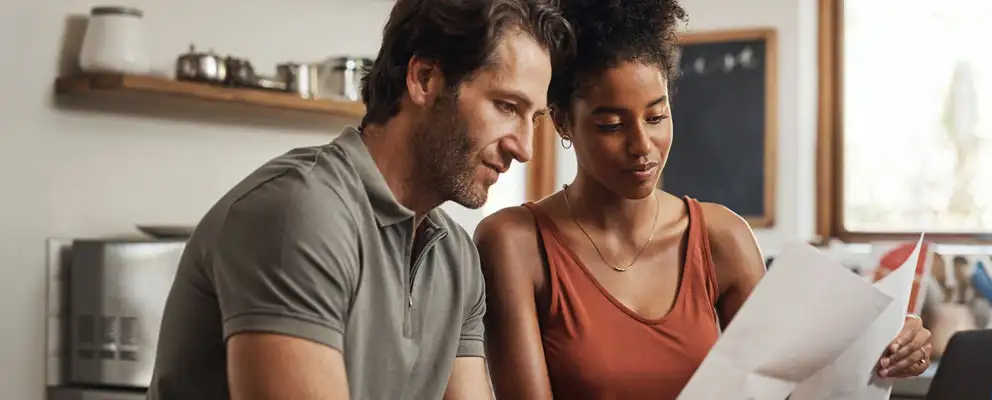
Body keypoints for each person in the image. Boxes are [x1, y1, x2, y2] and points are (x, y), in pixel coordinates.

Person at [474, 1, 934, 398]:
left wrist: (886, 347)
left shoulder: (721, 237)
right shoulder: (514, 242)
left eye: (656, 116)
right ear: (562, 123)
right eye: (611, 125)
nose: (642, 145)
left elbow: (791, 388)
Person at [145, 0, 572, 399]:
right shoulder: (299, 212)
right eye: (506, 106)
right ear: (424, 79)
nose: (525, 148)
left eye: (533, 118)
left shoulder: (456, 258)